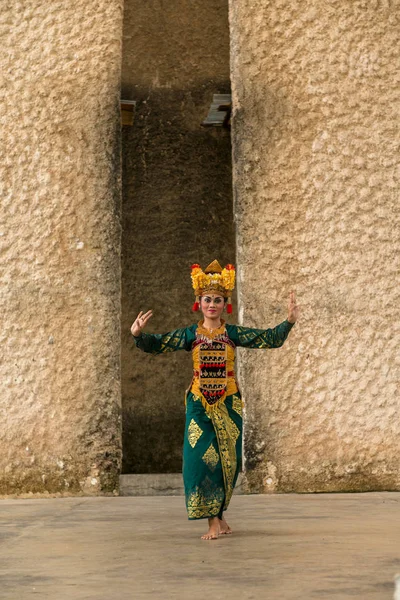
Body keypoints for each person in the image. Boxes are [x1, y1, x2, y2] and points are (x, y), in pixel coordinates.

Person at [131, 260, 299, 540]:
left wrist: (289, 321)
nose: (212, 304)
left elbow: (268, 339)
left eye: (218, 300)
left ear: (225, 304)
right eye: (207, 299)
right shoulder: (190, 334)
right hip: (199, 404)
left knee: (226, 463)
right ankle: (211, 522)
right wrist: (138, 335)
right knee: (199, 460)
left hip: (229, 404)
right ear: (199, 302)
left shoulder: (232, 334)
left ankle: (219, 516)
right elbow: (159, 343)